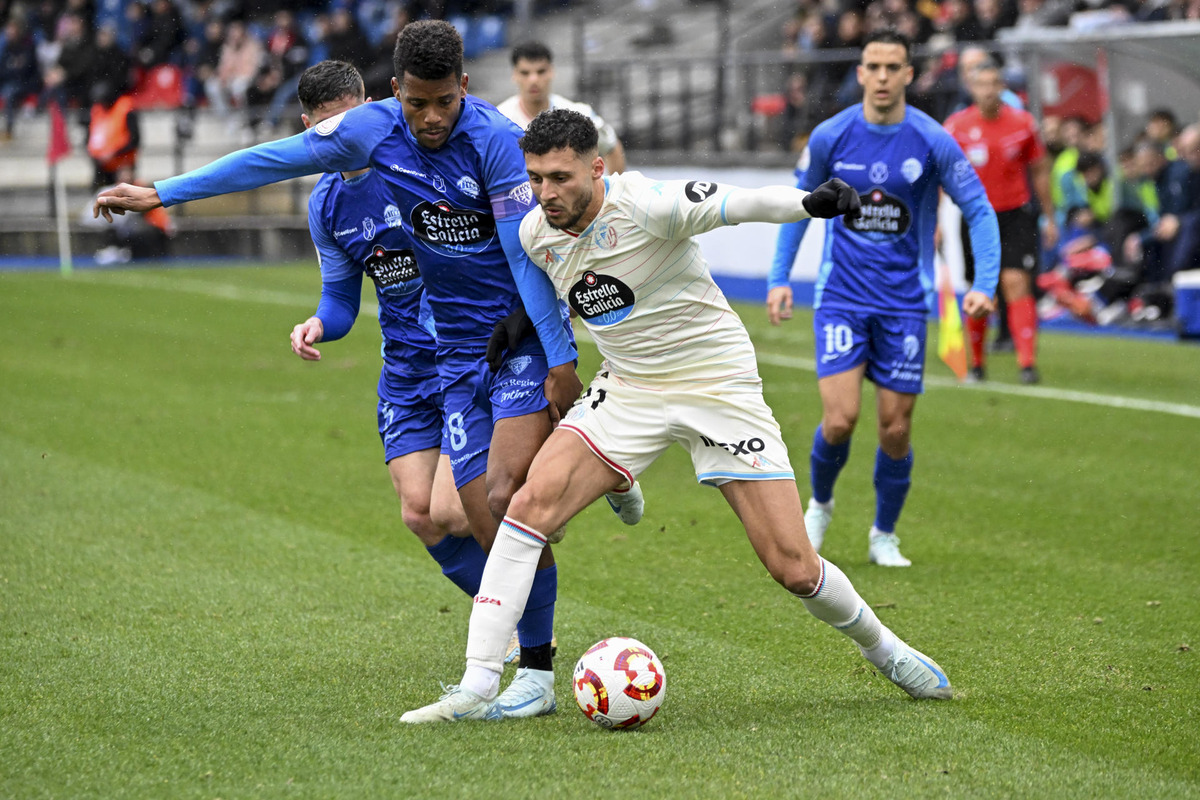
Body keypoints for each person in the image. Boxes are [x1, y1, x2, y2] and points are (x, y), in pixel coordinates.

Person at [95, 20, 644, 718]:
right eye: (417, 102)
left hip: (514, 334)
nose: (431, 117)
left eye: (444, 101)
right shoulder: (368, 133)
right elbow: (272, 159)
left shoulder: (496, 146)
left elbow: (521, 255)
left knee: (507, 500)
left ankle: (531, 670)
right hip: (449, 354)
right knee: (465, 513)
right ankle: (597, 481)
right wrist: (163, 194)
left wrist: (559, 357)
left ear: (465, 90)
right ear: (394, 94)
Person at [399, 108, 954, 724]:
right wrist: (531, 331)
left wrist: (809, 203)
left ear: (597, 166)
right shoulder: (536, 229)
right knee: (528, 506)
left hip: (717, 386)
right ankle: (479, 686)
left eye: (560, 177)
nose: (546, 193)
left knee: (793, 568)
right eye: (535, 178)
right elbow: (545, 280)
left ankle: (887, 650)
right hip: (630, 387)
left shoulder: (647, 205)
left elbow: (737, 203)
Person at [766, 29, 999, 567]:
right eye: (874, 66)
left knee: (895, 427)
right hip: (842, 296)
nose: (883, 77)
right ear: (862, 73)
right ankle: (820, 505)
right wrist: (781, 277)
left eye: (894, 67)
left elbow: (980, 210)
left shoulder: (932, 139)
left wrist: (984, 284)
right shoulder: (830, 137)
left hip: (904, 303)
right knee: (841, 419)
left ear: (909, 75)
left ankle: (883, 534)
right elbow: (798, 206)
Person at [289, 59, 481, 615]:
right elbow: (342, 299)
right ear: (308, 129)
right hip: (404, 369)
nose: (341, 139)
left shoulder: (422, 162)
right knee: (420, 514)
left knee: (459, 510)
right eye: (326, 130)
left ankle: (553, 485)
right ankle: (513, 621)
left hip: (464, 357)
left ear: (372, 108)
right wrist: (319, 323)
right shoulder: (326, 204)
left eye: (349, 124)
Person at [945, 61, 1055, 384]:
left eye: (995, 84)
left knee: (1016, 282)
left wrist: (1049, 216)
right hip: (976, 216)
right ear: (972, 88)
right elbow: (940, 173)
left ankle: (1027, 364)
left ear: (1002, 87)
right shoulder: (957, 127)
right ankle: (977, 365)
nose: (988, 90)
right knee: (981, 288)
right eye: (982, 84)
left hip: (1016, 214)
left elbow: (1039, 169)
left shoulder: (1023, 123)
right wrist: (936, 220)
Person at [495, 40, 626, 175]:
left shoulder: (579, 114)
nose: (533, 79)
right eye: (525, 73)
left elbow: (612, 147)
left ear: (551, 71)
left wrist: (610, 193)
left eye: (541, 71)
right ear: (514, 75)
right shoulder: (499, 118)